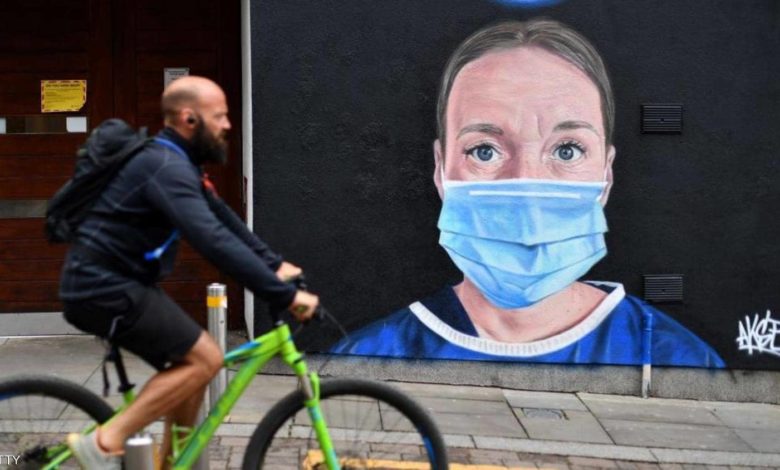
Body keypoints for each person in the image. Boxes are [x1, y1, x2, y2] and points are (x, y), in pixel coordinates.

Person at [331, 19, 724, 368]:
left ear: (606, 173)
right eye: (484, 151)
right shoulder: (366, 359)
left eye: (567, 150)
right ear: (440, 169)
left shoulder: (676, 359)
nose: (527, 185)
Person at [59, 76, 319, 469]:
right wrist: (283, 294)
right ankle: (103, 443)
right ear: (189, 119)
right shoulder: (165, 167)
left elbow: (224, 220)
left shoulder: (179, 164)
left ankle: (173, 463)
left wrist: (274, 264)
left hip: (119, 283)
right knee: (206, 358)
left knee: (192, 366)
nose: (227, 125)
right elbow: (212, 240)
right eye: (219, 116)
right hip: (102, 287)